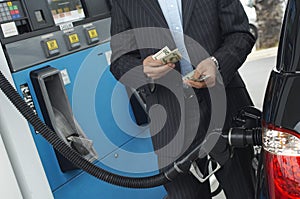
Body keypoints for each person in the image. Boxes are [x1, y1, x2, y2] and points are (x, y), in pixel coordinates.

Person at [109, 0, 256, 198]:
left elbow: (241, 34)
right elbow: (119, 60)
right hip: (170, 120)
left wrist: (217, 64)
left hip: (225, 107)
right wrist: (143, 70)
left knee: (245, 191)